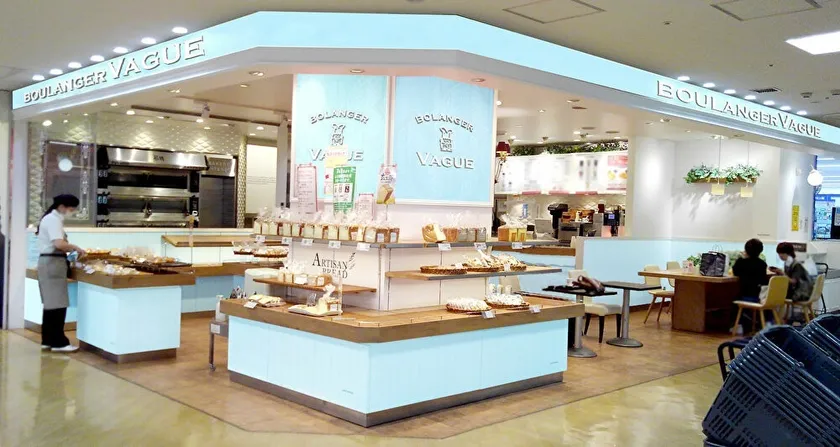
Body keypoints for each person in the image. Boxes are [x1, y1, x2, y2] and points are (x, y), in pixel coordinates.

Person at [37, 194, 85, 352]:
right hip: (53, 263)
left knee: (51, 304)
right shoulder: (53, 220)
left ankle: (48, 340)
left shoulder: (50, 219)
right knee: (58, 304)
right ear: (62, 207)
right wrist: (76, 247)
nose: (72, 212)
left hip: (49, 263)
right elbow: (59, 244)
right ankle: (59, 342)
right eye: (72, 209)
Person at [732, 238, 769, 303]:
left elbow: (735, 273)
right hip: (759, 296)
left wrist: (743, 257)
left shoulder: (741, 262)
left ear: (746, 250)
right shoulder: (762, 264)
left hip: (745, 295)